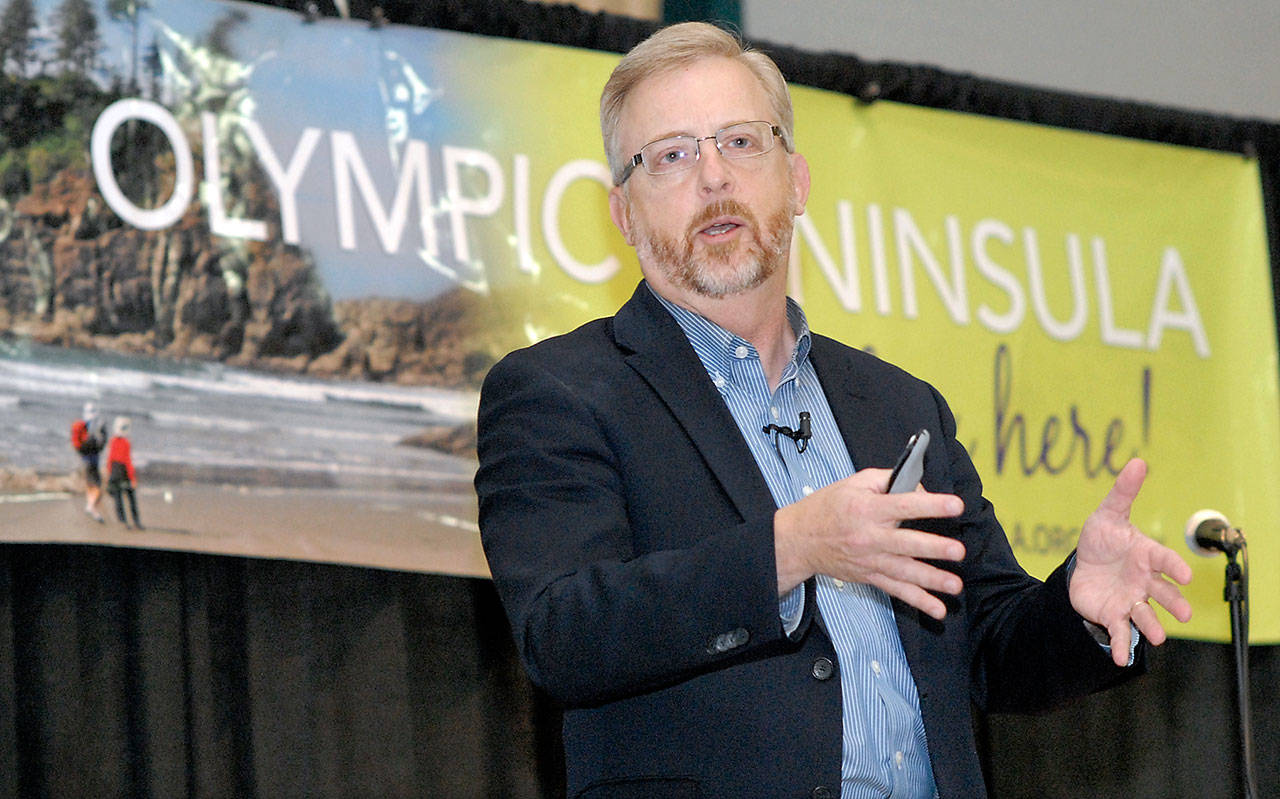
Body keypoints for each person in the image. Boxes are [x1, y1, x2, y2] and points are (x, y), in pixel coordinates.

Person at [475, 22, 1193, 799]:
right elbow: (566, 634)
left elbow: (986, 641)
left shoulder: (897, 404)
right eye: (672, 155)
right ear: (623, 214)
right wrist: (794, 546)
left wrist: (1075, 608)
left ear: (799, 181)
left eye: (742, 142)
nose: (714, 176)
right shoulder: (561, 391)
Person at [104, 416, 143, 530]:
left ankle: (123, 521)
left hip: (115, 471)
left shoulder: (113, 441)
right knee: (131, 498)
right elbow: (128, 461)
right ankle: (136, 521)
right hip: (124, 471)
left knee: (118, 498)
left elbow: (109, 459)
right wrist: (133, 478)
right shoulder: (126, 443)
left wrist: (108, 473)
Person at [71, 401, 107, 522]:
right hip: (91, 460)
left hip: (84, 460)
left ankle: (91, 507)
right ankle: (91, 506)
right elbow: (99, 445)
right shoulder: (93, 427)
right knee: (97, 486)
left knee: (90, 484)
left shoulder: (82, 426)